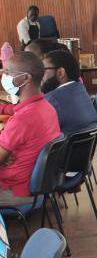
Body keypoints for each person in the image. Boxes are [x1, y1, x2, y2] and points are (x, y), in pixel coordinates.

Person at [0, 52, 61, 205]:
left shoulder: (22, 119)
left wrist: (3, 156)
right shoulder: (46, 107)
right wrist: (4, 156)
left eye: (8, 72)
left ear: (26, 78)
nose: (4, 76)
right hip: (39, 187)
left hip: (15, 191)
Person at [41, 50, 97, 134]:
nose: (40, 75)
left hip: (67, 141)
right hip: (83, 141)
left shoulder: (51, 99)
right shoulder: (80, 88)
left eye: (43, 70)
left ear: (60, 72)